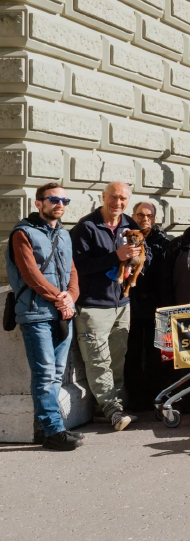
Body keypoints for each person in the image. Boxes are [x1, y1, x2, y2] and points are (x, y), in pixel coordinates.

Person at [8, 182, 82, 450]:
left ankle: (45, 429)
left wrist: (70, 297)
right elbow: (31, 275)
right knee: (45, 373)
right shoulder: (22, 233)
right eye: (53, 199)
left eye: (64, 200)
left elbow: (72, 271)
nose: (59, 204)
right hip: (36, 313)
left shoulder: (64, 235)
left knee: (57, 372)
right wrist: (60, 299)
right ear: (39, 203)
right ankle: (53, 430)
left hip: (63, 312)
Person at [71, 181, 140, 431]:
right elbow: (77, 267)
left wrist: (138, 262)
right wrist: (115, 257)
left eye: (123, 199)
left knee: (117, 358)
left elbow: (145, 251)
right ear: (103, 196)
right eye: (113, 197)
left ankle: (111, 407)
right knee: (98, 359)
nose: (118, 203)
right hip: (93, 305)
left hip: (121, 302)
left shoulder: (129, 224)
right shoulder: (86, 227)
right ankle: (112, 410)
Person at [124, 200, 172, 413]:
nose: (144, 219)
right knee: (132, 352)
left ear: (155, 219)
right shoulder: (125, 238)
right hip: (131, 303)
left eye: (149, 216)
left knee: (155, 353)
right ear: (133, 216)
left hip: (155, 303)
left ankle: (155, 395)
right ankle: (134, 398)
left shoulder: (163, 242)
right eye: (140, 215)